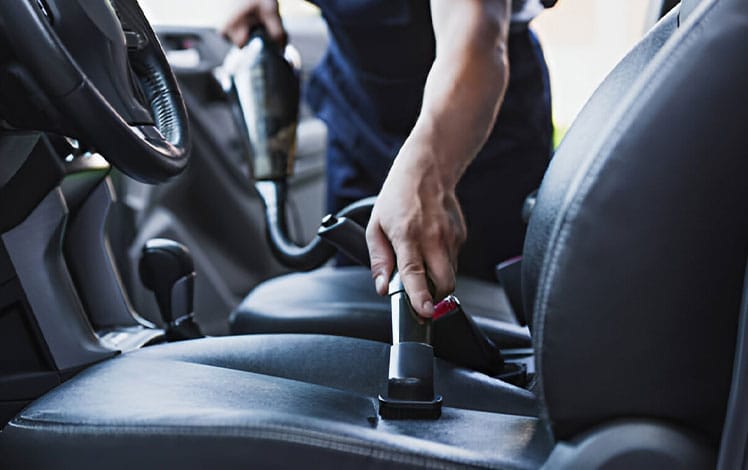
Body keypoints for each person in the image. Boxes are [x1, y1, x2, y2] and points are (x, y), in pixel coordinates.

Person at [224, 0, 554, 318]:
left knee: (500, 321)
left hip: (479, 133)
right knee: (364, 305)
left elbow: (474, 36)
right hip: (358, 116)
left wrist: (429, 174)